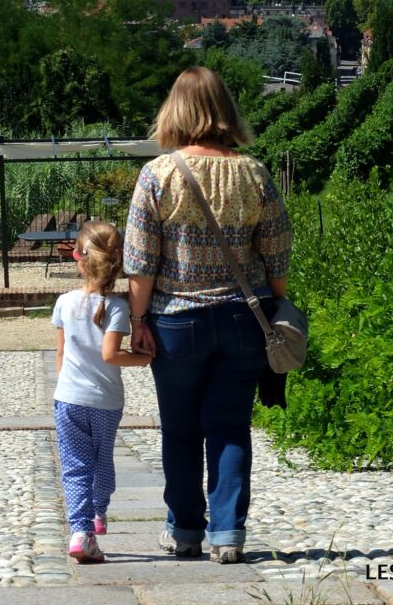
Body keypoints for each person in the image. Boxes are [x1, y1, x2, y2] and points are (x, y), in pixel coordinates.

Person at [123, 66, 292, 564]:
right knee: (229, 427)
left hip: (177, 321)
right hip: (243, 319)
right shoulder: (255, 173)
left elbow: (140, 261)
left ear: (174, 110)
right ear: (225, 109)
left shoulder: (158, 174)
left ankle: (184, 531)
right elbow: (278, 252)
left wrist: (137, 322)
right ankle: (228, 535)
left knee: (179, 430)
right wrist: (275, 303)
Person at [52, 219, 152, 564]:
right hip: (106, 402)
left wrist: (65, 386)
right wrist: (143, 360)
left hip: (68, 399)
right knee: (101, 460)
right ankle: (97, 514)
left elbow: (61, 355)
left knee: (75, 466)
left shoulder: (64, 302)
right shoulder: (118, 307)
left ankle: (81, 533)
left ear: (79, 258)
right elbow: (111, 354)